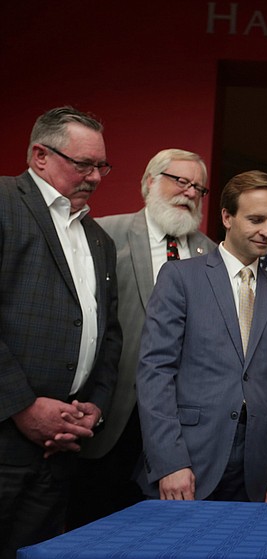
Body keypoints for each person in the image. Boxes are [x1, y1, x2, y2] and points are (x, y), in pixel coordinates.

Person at [66, 149, 216, 527]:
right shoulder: (103, 233)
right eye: (179, 181)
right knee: (94, 521)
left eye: (198, 186)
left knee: (162, 530)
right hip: (113, 410)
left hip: (180, 422)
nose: (189, 192)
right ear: (149, 181)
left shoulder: (210, 253)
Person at [136, 170, 267, 503]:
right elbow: (155, 372)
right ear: (226, 216)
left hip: (258, 467)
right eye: (256, 219)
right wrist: (170, 462)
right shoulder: (180, 278)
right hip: (189, 458)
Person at [0, 106, 122, 556]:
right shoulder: (4, 203)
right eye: (83, 164)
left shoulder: (99, 240)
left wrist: (94, 407)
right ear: (39, 156)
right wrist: (23, 407)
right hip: (5, 437)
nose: (96, 176)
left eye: (101, 165)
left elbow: (109, 335)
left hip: (62, 450)